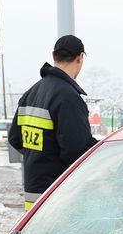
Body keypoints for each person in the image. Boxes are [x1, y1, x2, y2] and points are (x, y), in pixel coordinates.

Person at [9, 35, 98, 210]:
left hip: (33, 199)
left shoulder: (30, 94)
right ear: (80, 58)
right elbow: (76, 151)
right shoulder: (68, 97)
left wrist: (40, 154)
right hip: (59, 199)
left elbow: (15, 139)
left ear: (54, 56)